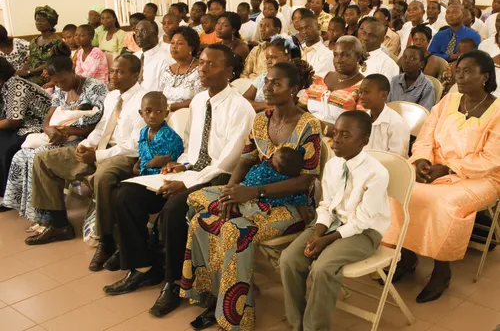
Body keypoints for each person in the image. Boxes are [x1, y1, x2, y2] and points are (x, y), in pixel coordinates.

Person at [103, 44, 256, 317]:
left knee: (175, 207)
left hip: (220, 177)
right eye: (202, 63)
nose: (203, 69)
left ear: (229, 72)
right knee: (125, 194)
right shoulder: (198, 101)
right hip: (192, 170)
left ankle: (173, 284)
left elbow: (228, 162)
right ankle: (143, 268)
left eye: (212, 65)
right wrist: (179, 165)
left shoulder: (240, 108)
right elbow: (192, 147)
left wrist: (186, 183)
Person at [180, 60, 321, 330]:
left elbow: (305, 180)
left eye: (275, 83)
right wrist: (231, 194)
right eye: (266, 81)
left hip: (290, 205)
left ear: (294, 90)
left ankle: (234, 318)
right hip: (251, 195)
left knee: (234, 230)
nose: (266, 87)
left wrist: (251, 192)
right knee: (199, 212)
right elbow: (245, 161)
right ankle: (214, 296)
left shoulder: (308, 125)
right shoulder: (261, 120)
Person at [384, 50, 500, 303]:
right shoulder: (449, 100)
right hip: (436, 166)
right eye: (458, 70)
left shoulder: (498, 111)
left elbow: (491, 160)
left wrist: (448, 169)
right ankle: (407, 253)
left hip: (481, 177)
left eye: (468, 71)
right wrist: (423, 161)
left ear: (485, 77)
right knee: (399, 185)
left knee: (442, 203)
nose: (460, 75)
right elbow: (426, 135)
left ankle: (442, 270)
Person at [25, 54, 146, 275]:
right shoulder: (112, 97)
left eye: (121, 72)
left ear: (135, 75)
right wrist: (87, 146)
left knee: (102, 178)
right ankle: (58, 223)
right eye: (113, 71)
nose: (113, 76)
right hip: (99, 148)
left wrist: (98, 156)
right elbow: (100, 128)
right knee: (43, 159)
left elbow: (135, 145)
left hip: (124, 154)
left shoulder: (143, 99)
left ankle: (105, 240)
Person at [280, 110, 390, 331]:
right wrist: (318, 234)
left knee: (322, 268)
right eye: (336, 132)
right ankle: (296, 323)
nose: (336, 140)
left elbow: (361, 220)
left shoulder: (377, 173)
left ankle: (314, 328)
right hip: (330, 224)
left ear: (364, 140)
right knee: (289, 259)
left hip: (363, 232)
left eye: (346, 135)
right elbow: (326, 206)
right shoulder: (333, 165)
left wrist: (326, 240)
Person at [1, 42, 107, 221]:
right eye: (56, 81)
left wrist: (67, 131)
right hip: (61, 137)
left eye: (63, 80)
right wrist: (50, 131)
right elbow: (47, 119)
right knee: (21, 156)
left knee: (36, 157)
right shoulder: (59, 89)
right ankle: (34, 214)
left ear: (73, 69)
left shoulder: (94, 87)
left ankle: (49, 219)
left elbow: (97, 123)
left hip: (82, 139)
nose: (60, 85)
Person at [0, 58, 51, 207]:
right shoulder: (6, 85)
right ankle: (4, 192)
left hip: (39, 125)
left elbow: (14, 121)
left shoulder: (16, 85)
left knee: (7, 146)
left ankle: (9, 198)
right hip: (25, 124)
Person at [299, 36, 365, 132]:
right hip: (308, 134)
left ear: (358, 57)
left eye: (345, 55)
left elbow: (360, 125)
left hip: (339, 141)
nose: (338, 60)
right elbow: (300, 107)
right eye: (335, 55)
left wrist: (325, 129)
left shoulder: (363, 87)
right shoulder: (318, 79)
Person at [134, 92, 184, 178]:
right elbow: (142, 160)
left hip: (162, 180)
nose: (152, 116)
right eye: (148, 111)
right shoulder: (143, 132)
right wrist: (140, 167)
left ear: (166, 113)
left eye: (158, 111)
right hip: (143, 177)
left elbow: (163, 170)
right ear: (141, 113)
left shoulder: (169, 138)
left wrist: (145, 166)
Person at [243, 37, 301, 112]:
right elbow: (243, 102)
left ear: (287, 57)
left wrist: (256, 105)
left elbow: (284, 107)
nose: (268, 62)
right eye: (267, 58)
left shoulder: (294, 79)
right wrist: (266, 105)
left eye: (273, 57)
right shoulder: (263, 77)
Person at [359, 74, 410, 157]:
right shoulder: (361, 120)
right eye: (360, 92)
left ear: (383, 95)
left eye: (367, 92)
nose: (361, 96)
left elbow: (396, 159)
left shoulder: (396, 123)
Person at [159, 26, 203, 112]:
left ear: (191, 48)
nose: (174, 47)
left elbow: (200, 99)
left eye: (179, 43)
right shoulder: (168, 70)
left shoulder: (200, 69)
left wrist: (170, 107)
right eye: (172, 43)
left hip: (189, 117)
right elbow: (161, 94)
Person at [20, 6, 62, 86]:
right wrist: (23, 71)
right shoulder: (33, 41)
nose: (39, 22)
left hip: (46, 78)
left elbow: (52, 63)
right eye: (37, 20)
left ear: (50, 23)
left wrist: (29, 72)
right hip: (29, 75)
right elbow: (30, 59)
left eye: (42, 20)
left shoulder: (57, 42)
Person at [388, 46, 436, 111]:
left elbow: (424, 112)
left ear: (421, 64)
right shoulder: (394, 80)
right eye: (404, 57)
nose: (406, 61)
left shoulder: (427, 86)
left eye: (412, 59)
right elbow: (387, 105)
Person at [134, 20, 173, 92]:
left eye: (143, 31)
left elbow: (165, 91)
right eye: (136, 31)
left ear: (155, 35)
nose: (138, 35)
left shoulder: (166, 60)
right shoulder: (134, 57)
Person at [297, 12, 335, 77]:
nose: (304, 31)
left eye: (308, 27)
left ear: (318, 27)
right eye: (301, 29)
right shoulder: (297, 50)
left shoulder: (328, 55)